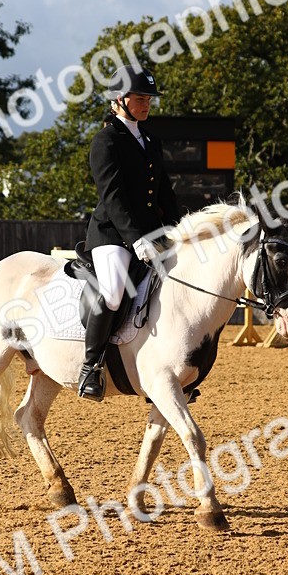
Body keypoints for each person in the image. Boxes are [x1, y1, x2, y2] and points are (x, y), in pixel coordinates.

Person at [78, 64, 181, 400]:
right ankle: (90, 367)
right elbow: (113, 196)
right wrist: (136, 239)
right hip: (113, 235)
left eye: (149, 97)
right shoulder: (106, 141)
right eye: (140, 97)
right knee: (112, 292)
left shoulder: (150, 139)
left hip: (151, 234)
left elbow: (164, 192)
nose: (147, 103)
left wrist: (183, 230)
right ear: (119, 99)